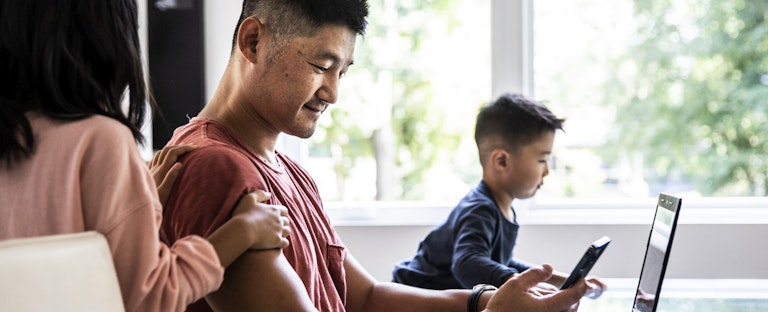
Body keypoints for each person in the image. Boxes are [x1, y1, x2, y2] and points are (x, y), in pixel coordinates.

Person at [159, 0, 588, 311]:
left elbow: (365, 297)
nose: (333, 93)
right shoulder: (214, 166)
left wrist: (487, 302)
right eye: (321, 66)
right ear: (253, 41)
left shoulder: (290, 170)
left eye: (342, 72)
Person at [0, 1, 291, 311]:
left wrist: (140, 207)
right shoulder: (99, 140)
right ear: (106, 39)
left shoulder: (11, 140)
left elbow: (59, 264)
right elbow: (151, 296)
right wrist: (243, 230)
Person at [391, 93, 607, 298]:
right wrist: (519, 284)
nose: (547, 171)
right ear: (501, 161)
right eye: (542, 160)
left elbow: (498, 262)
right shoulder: (480, 209)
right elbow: (467, 262)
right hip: (411, 297)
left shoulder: (500, 207)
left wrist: (561, 280)